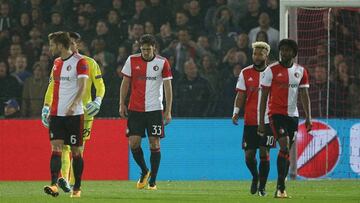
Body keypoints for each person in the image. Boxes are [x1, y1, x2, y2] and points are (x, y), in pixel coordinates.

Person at [258, 39, 312, 198]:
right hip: (275, 114)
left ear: (294, 53)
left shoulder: (301, 71)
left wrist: (308, 117)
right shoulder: (271, 70)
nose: (284, 52)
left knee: (286, 152)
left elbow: (304, 95)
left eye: (288, 50)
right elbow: (263, 97)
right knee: (285, 147)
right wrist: (261, 121)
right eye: (282, 50)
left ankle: (280, 187)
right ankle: (281, 186)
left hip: (293, 116)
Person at [52, 32, 105, 190]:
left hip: (84, 113)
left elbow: (100, 85)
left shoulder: (89, 63)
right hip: (62, 112)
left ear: (78, 45)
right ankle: (65, 181)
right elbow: (52, 86)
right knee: (63, 147)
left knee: (77, 148)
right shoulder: (59, 63)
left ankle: (75, 183)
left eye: (74, 43)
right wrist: (47, 105)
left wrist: (98, 100)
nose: (71, 46)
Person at [119, 34, 172, 190]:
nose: (146, 52)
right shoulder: (131, 60)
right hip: (135, 109)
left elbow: (168, 87)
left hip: (155, 109)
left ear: (154, 48)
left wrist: (168, 110)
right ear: (139, 48)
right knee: (133, 143)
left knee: (154, 143)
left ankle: (153, 181)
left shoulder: (162, 62)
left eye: (148, 49)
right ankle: (144, 170)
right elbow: (125, 82)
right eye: (143, 49)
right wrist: (122, 103)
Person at [41, 31, 88, 198]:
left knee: (76, 151)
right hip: (57, 114)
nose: (50, 48)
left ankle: (77, 187)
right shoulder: (56, 63)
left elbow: (83, 86)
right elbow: (54, 87)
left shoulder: (80, 62)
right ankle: (54, 185)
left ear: (60, 45)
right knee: (56, 148)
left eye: (52, 44)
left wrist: (74, 104)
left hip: (74, 115)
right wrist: (49, 109)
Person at [232, 42, 274, 196]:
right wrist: (236, 111)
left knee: (264, 152)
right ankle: (255, 177)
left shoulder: (272, 73)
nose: (256, 56)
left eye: (260, 54)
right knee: (249, 156)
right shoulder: (245, 73)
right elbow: (241, 94)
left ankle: (262, 187)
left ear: (266, 55)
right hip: (250, 120)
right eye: (255, 53)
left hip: (268, 121)